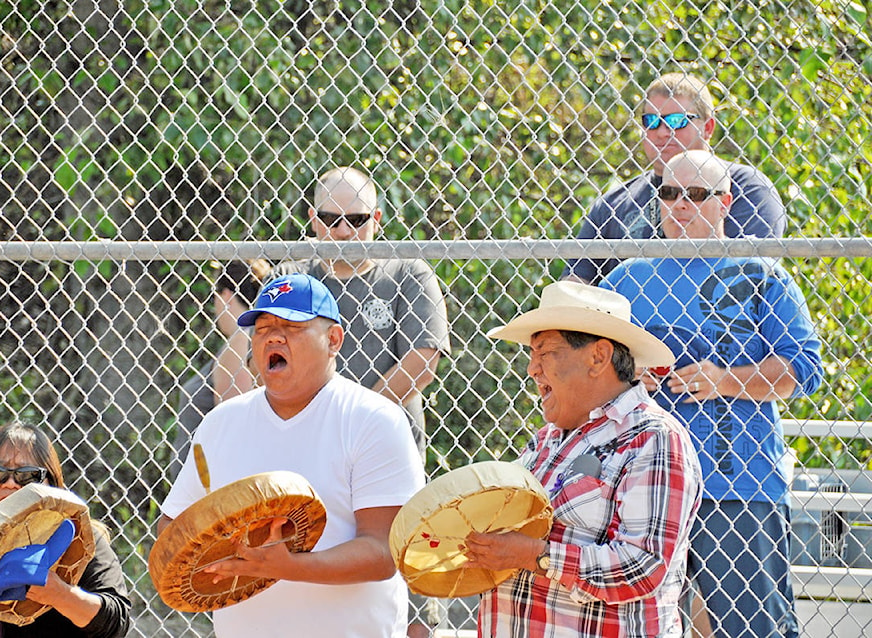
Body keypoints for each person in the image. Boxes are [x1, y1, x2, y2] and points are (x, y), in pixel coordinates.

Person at [600, 150, 823, 638]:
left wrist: (726, 379)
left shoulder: (761, 274)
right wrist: (631, 371)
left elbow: (805, 368)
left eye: (696, 195)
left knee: (751, 627)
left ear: (725, 202)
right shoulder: (624, 279)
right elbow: (591, 371)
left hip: (737, 484)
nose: (680, 205)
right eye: (669, 194)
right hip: (640, 483)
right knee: (633, 622)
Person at [158, 273, 424, 638]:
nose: (273, 337)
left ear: (333, 340)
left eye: (291, 326)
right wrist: (211, 555)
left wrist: (287, 566)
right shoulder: (221, 423)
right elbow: (173, 529)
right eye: (262, 328)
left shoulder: (372, 419)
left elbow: (384, 552)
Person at [465, 281, 702, 637]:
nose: (532, 369)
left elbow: (643, 566)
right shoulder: (546, 440)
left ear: (598, 357)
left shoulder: (655, 439)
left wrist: (533, 556)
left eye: (544, 352)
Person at [274, 166, 451, 450]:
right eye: (331, 219)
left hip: (385, 446)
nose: (344, 232)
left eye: (357, 219)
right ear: (313, 219)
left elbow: (423, 361)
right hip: (303, 445)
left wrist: (352, 426)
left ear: (376, 219)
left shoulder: (408, 273)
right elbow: (261, 363)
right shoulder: (288, 281)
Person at [0, 422, 132, 637]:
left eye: (27, 475)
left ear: (51, 485)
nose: (10, 484)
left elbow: (117, 624)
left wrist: (59, 593)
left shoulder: (78, 541)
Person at [565, 72, 786, 285]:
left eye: (677, 121)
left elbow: (752, 274)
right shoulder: (614, 203)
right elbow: (577, 280)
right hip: (624, 320)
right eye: (651, 121)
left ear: (708, 127)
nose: (662, 132)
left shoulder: (748, 188)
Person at [171, 259, 271, 478]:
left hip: (215, 486)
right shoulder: (248, 338)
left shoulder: (241, 341)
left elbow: (235, 428)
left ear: (225, 296)